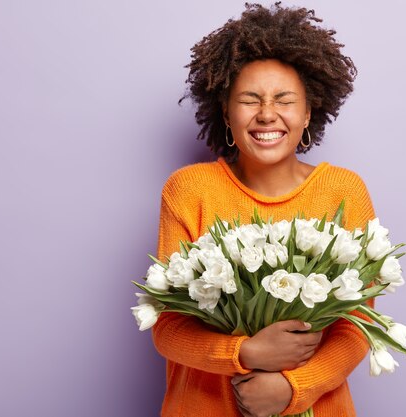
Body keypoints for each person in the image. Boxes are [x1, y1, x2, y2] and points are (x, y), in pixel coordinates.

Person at [153, 4, 376, 416]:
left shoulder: (343, 191)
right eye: (249, 100)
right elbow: (166, 328)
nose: (267, 114)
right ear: (226, 112)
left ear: (308, 111)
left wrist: (294, 388)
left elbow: (358, 326)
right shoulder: (189, 190)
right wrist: (246, 352)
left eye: (284, 100)